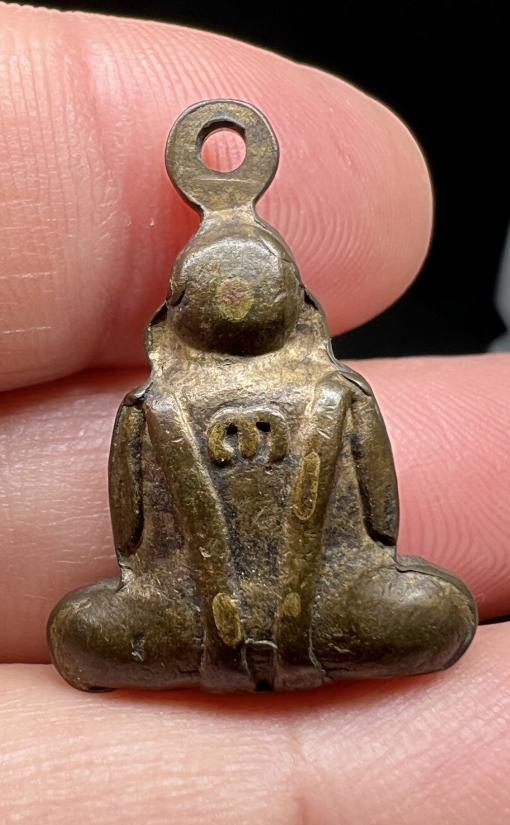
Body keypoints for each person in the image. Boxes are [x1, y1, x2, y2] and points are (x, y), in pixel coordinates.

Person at [0, 4, 508, 823]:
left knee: (438, 615)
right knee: (80, 630)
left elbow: (374, 525)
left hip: (320, 604)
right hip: (192, 608)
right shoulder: (157, 407)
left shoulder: (333, 396)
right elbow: (138, 543)